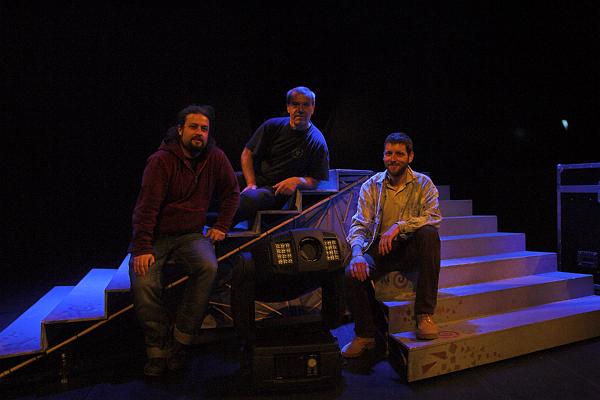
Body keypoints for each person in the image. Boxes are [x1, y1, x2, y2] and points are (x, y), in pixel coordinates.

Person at [128, 104, 240, 376]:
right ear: (180, 130)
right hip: (157, 235)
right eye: (193, 127)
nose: (199, 133)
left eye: (204, 128)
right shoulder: (161, 160)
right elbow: (146, 207)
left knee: (208, 267)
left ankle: (181, 341)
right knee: (143, 281)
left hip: (191, 234)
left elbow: (232, 192)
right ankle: (157, 349)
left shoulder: (215, 157)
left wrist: (221, 225)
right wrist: (142, 247)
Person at [342, 132, 442, 358]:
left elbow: (434, 216)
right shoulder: (371, 185)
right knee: (351, 272)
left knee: (429, 234)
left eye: (399, 154)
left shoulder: (423, 183)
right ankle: (365, 335)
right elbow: (360, 224)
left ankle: (424, 315)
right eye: (389, 153)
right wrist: (357, 254)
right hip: (381, 248)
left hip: (410, 248)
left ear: (410, 156)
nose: (393, 159)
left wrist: (399, 226)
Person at [235, 86, 330, 225]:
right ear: (288, 107)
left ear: (313, 108)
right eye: (295, 104)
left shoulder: (317, 141)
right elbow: (247, 153)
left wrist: (298, 181)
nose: (300, 110)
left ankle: (218, 227)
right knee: (222, 180)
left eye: (305, 105)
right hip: (256, 179)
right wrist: (251, 183)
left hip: (277, 191)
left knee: (249, 199)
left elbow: (315, 181)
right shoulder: (273, 125)